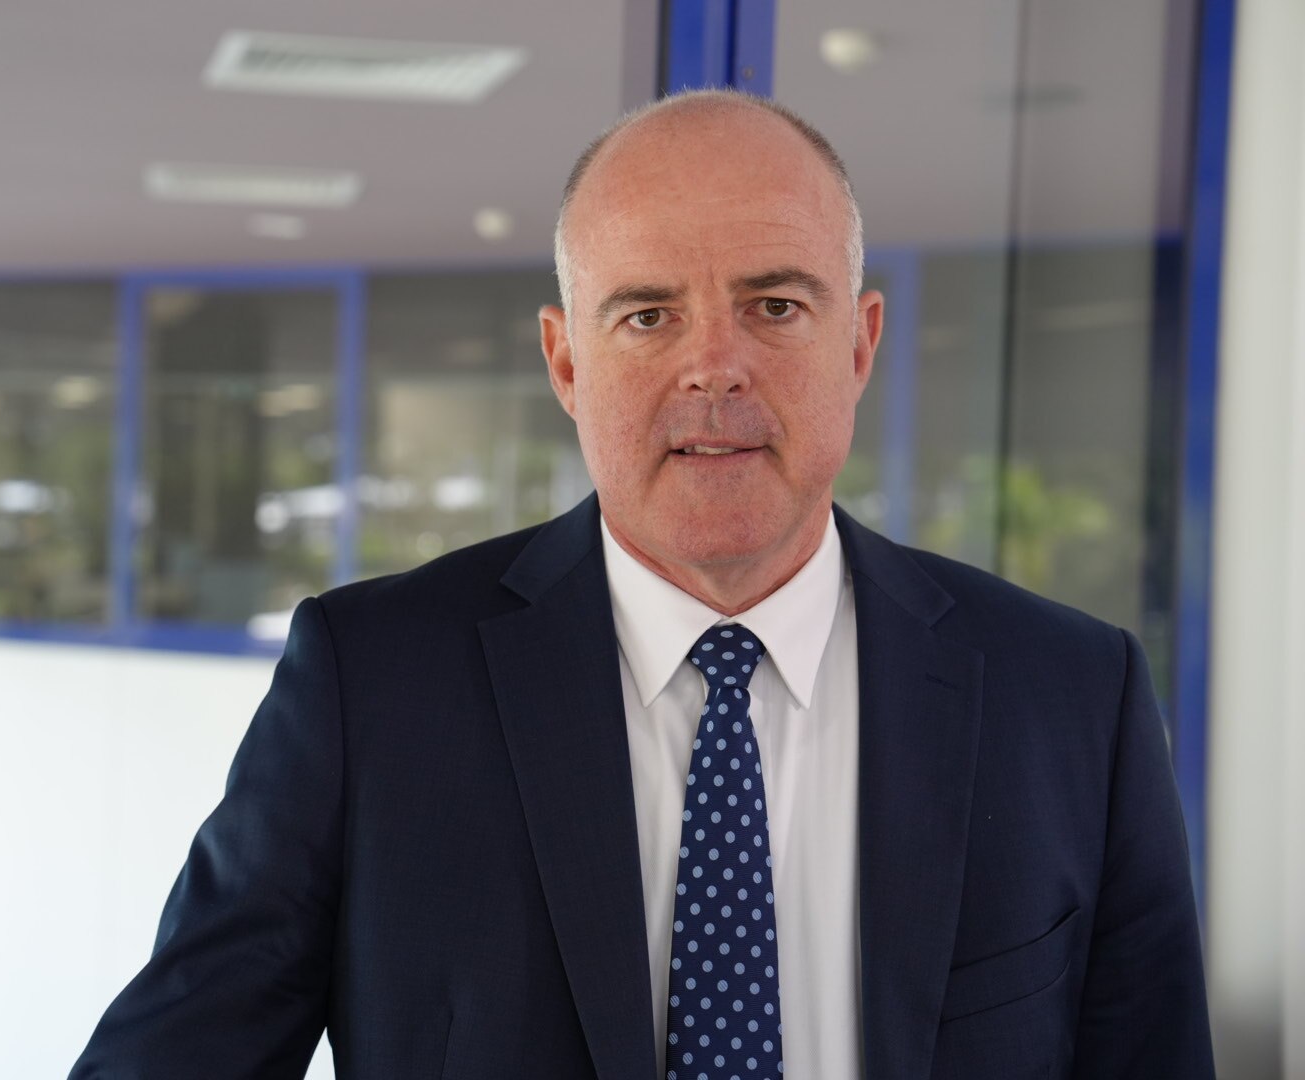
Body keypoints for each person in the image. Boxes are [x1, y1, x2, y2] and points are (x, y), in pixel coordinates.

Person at [70, 89, 1213, 1080]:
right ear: (566, 361)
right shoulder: (370, 687)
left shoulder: (1068, 694)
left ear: (857, 346)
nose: (712, 364)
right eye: (647, 314)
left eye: (773, 306)